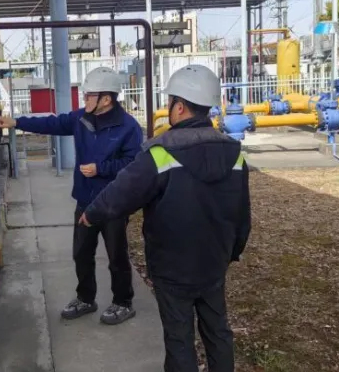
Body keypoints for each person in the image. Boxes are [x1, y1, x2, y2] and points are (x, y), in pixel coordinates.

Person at [79, 65, 251, 371]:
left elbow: (122, 191)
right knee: (218, 331)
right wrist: (231, 252)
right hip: (214, 262)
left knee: (179, 338)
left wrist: (91, 215)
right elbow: (242, 213)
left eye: (170, 101)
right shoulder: (234, 153)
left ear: (180, 106)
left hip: (173, 266)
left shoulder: (161, 152)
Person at [0, 67, 142, 325]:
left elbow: (133, 164)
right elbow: (52, 123)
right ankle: (86, 298)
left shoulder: (128, 127)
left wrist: (101, 169)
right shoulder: (81, 118)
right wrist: (17, 122)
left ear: (106, 99)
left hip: (114, 204)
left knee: (116, 257)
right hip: (85, 200)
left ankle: (123, 302)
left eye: (89, 95)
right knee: (81, 253)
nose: (84, 99)